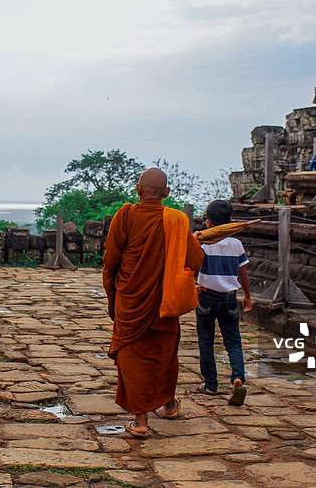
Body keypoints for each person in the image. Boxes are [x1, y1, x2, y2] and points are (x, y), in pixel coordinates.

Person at [102, 167, 204, 438]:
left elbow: (111, 262)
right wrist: (185, 244)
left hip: (131, 300)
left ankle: (141, 420)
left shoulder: (124, 216)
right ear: (167, 193)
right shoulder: (178, 221)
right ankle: (168, 404)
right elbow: (195, 261)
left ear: (138, 190)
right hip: (164, 301)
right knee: (164, 357)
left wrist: (113, 298)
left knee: (134, 358)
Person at [194, 200, 252, 407]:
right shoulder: (236, 244)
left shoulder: (200, 243)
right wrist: (247, 296)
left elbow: (191, 267)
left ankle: (210, 384)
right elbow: (242, 274)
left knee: (206, 341)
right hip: (229, 296)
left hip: (206, 295)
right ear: (231, 222)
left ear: (208, 222)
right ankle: (237, 377)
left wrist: (193, 284)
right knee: (233, 341)